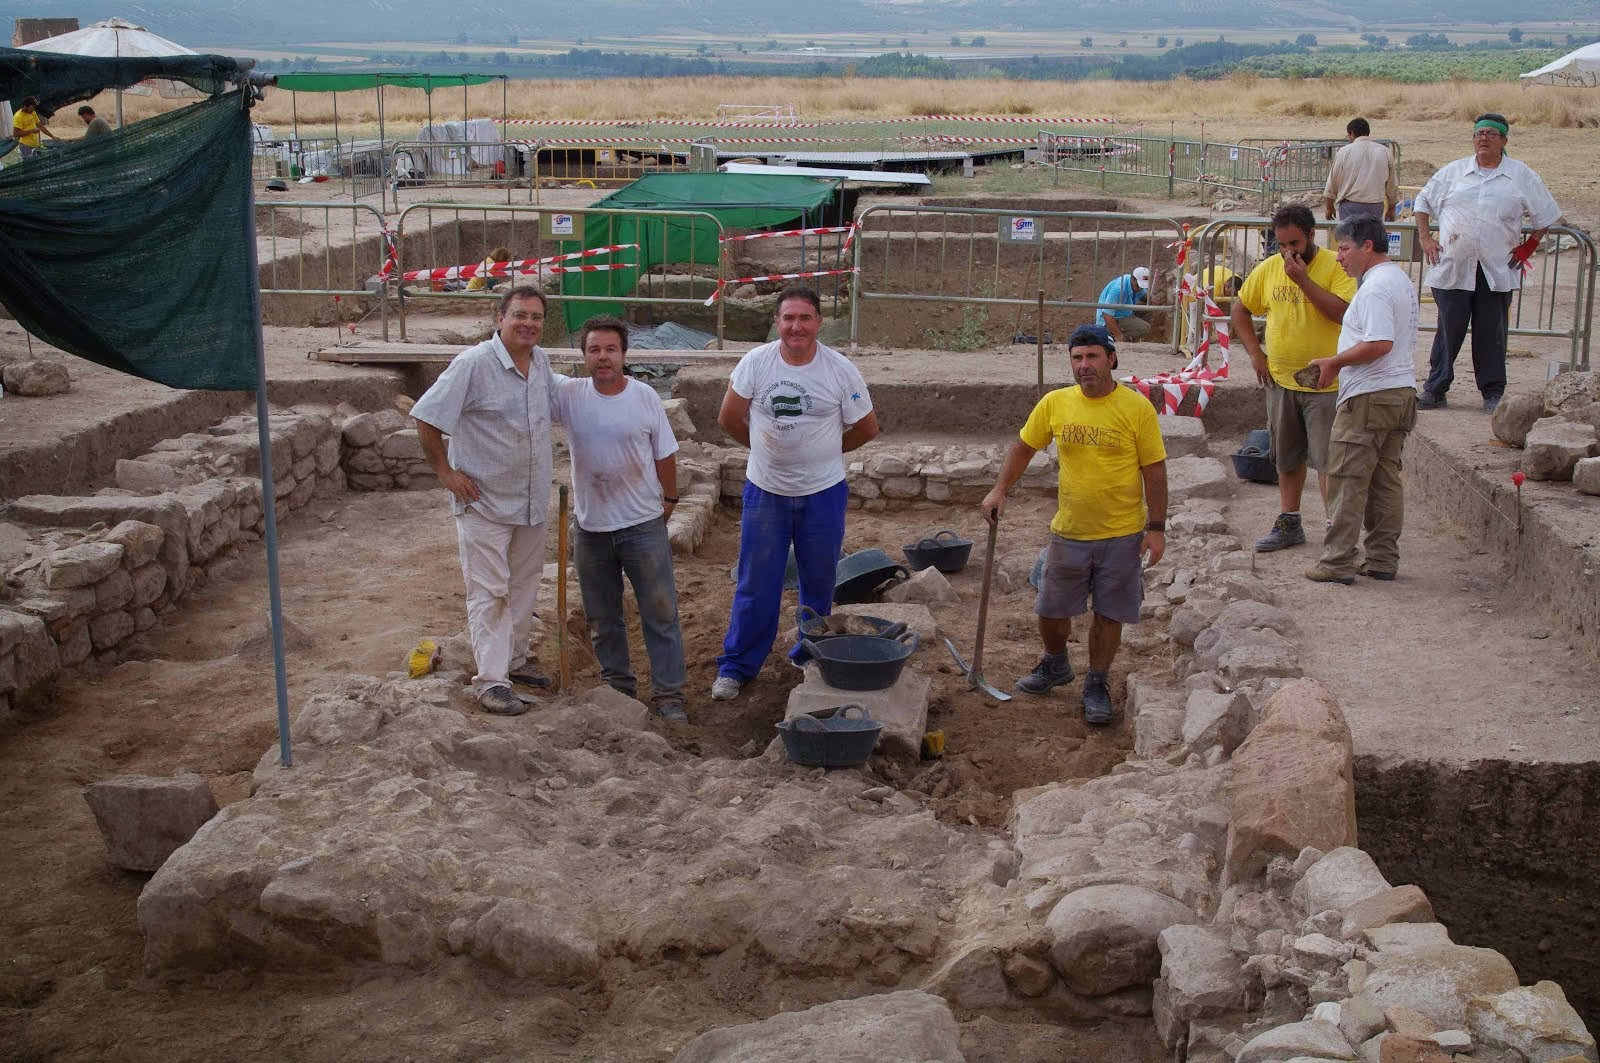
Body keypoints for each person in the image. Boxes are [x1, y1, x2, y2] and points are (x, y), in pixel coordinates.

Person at [980, 323, 1167, 725]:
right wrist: (1000, 490)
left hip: (1122, 532)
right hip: (1069, 530)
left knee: (1109, 613)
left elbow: (1154, 470)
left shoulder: (1136, 408)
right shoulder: (1056, 403)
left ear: (1112, 359)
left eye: (1093, 356)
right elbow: (1024, 447)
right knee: (1050, 609)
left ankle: (1096, 681)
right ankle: (1056, 663)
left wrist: (1157, 527)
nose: (1085, 366)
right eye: (1077, 358)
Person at [711, 285, 879, 701]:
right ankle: (737, 667)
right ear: (777, 322)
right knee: (756, 582)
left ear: (819, 323)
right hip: (766, 492)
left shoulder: (840, 370)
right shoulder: (756, 362)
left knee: (819, 580)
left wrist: (823, 452)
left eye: (805, 318)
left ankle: (810, 655)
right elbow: (730, 417)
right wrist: (767, 451)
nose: (796, 326)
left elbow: (867, 427)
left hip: (823, 493)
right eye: (788, 318)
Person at [411, 285, 556, 717]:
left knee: (524, 584)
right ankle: (491, 682)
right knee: (489, 592)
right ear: (499, 318)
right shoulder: (473, 364)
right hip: (484, 503)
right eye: (519, 315)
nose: (528, 323)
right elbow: (426, 415)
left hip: (530, 502)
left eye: (535, 316)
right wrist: (445, 473)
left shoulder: (541, 363)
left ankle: (513, 660)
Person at [551, 315, 688, 723]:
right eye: (594, 350)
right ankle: (618, 687)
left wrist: (668, 499)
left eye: (611, 349)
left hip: (642, 525)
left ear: (624, 355)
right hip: (591, 528)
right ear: (584, 357)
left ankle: (669, 696)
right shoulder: (569, 395)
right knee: (601, 615)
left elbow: (665, 453)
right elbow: (527, 377)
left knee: (660, 611)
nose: (603, 357)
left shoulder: (644, 396)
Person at [1413, 113, 1562, 414]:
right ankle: (1435, 388)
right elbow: (1421, 204)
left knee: (1491, 333)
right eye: (1479, 133)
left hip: (1496, 269)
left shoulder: (1521, 176)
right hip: (1454, 266)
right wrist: (1426, 239)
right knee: (1447, 330)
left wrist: (1530, 245)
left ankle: (1493, 393)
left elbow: (1546, 214)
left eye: (1491, 134)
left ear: (1504, 140)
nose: (1483, 138)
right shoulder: (1453, 172)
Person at [1231, 203, 1357, 553]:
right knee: (1286, 456)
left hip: (1325, 382)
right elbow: (1240, 309)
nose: (1288, 252)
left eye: (1295, 244)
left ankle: (1337, 532)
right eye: (1281, 244)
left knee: (1329, 459)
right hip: (1281, 379)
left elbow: (1343, 314)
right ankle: (1289, 522)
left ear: (1312, 236)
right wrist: (1256, 354)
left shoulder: (1336, 266)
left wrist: (1302, 280)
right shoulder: (1270, 268)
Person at [1302, 217, 1420, 585]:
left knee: (1346, 479)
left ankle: (1338, 561)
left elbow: (1379, 343)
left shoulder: (1375, 289)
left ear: (1367, 246)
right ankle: (1383, 559)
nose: (1339, 257)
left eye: (1344, 248)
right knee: (1385, 479)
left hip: (1371, 395)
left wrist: (1334, 362)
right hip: (1399, 392)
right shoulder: (1398, 280)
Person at [1322, 118, 1399, 223]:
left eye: (1348, 135)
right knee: (1371, 238)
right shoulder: (1385, 152)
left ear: (1352, 133)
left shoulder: (1344, 151)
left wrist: (1329, 207)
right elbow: (1392, 185)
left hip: (1350, 206)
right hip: (1375, 206)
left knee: (1350, 238)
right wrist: (1391, 209)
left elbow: (1333, 181)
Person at [1094, 266, 1152, 344]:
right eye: (1138, 286)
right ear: (1133, 279)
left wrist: (1153, 299)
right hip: (1109, 320)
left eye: (1142, 287)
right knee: (1144, 328)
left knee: (1145, 306)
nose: (1139, 289)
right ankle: (1112, 339)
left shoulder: (1133, 283)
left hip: (1123, 313)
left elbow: (1144, 296)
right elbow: (1107, 314)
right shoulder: (1118, 290)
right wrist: (1118, 335)